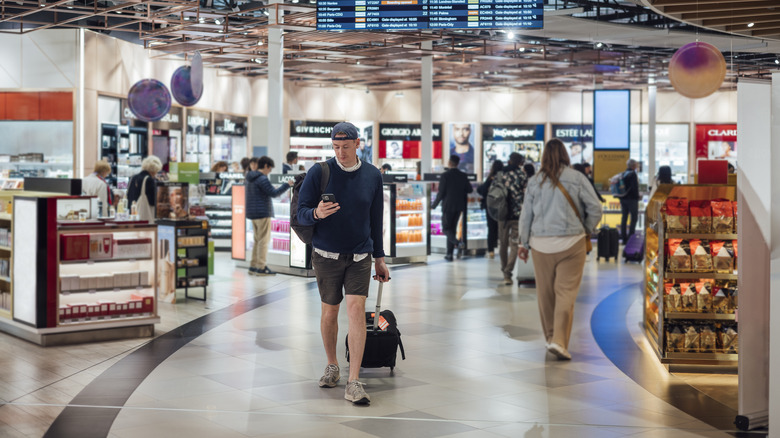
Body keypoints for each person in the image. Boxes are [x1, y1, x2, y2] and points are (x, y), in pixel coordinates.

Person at [296, 121, 390, 405]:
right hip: (326, 256)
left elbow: (376, 220)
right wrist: (316, 213)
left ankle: (354, 380)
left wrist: (380, 258)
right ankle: (332, 364)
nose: (341, 153)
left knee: (356, 310)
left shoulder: (373, 175)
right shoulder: (319, 172)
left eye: (346, 147)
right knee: (329, 312)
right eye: (336, 147)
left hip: (360, 255)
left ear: (358, 144)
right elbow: (300, 214)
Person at [517, 139, 602, 360]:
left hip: (540, 245)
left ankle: (551, 338)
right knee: (565, 293)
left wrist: (523, 243)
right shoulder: (577, 178)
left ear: (544, 156)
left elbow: (526, 215)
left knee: (545, 294)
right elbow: (596, 207)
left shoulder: (535, 182)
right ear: (566, 155)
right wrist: (586, 228)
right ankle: (559, 342)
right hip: (572, 243)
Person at [246, 156, 294, 276]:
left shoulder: (251, 178)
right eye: (270, 168)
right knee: (263, 241)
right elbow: (274, 193)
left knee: (257, 240)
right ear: (266, 166)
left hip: (253, 213)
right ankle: (261, 267)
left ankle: (253, 266)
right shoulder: (262, 178)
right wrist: (287, 185)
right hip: (262, 213)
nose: (270, 171)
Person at [432, 155, 473, 261]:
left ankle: (458, 243)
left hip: (448, 206)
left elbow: (441, 193)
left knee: (446, 229)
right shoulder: (463, 175)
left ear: (449, 163)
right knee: (452, 229)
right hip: (459, 206)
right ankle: (449, 254)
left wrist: (434, 205)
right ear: (458, 163)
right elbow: (469, 190)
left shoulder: (445, 176)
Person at [496, 152, 527, 284]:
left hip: (502, 215)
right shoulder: (522, 175)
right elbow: (526, 195)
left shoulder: (500, 174)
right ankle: (508, 273)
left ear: (509, 161)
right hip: (517, 215)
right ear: (520, 162)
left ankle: (504, 271)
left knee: (503, 244)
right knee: (514, 244)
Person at [477, 160, 503, 259]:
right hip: (502, 206)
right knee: (502, 229)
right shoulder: (504, 178)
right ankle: (502, 249)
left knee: (491, 228)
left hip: (491, 206)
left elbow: (482, 190)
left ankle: (491, 250)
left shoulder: (490, 178)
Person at [127, 156, 162, 222]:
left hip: (132, 215)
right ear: (154, 169)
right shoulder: (149, 180)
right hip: (144, 216)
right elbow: (152, 201)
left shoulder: (133, 178)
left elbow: (129, 195)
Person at [616, 159, 640, 244]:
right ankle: (631, 237)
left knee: (624, 218)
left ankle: (623, 238)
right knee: (634, 218)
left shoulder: (623, 173)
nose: (637, 166)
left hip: (623, 199)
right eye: (636, 164)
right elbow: (634, 188)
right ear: (633, 166)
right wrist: (638, 196)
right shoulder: (633, 174)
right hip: (632, 199)